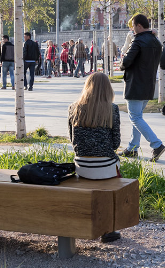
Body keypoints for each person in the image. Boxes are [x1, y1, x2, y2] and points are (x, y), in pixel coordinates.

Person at [67, 71, 123, 243]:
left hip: (82, 166)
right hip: (105, 166)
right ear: (108, 89)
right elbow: (115, 143)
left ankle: (84, 224)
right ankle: (108, 230)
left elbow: (73, 141)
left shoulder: (74, 108)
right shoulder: (112, 109)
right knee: (113, 181)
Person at [120, 14, 165, 161]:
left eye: (133, 26)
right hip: (148, 85)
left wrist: (122, 61)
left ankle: (156, 144)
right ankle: (132, 148)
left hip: (135, 84)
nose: (132, 29)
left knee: (135, 117)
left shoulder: (138, 41)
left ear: (139, 26)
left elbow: (126, 61)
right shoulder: (156, 41)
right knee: (138, 117)